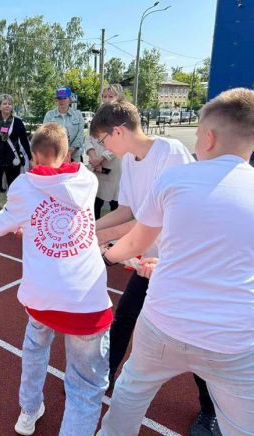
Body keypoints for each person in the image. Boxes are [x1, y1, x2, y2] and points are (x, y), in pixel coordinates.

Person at [97, 87, 254, 436]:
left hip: (166, 317)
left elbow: (140, 237)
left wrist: (103, 257)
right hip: (233, 337)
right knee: (243, 424)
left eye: (198, 134)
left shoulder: (174, 173)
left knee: (131, 394)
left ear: (209, 139)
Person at [0, 123, 112, 436]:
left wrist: (23, 220)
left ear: (33, 157)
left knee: (34, 348)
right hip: (86, 301)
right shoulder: (86, 179)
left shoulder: (23, 186)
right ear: (67, 152)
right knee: (85, 386)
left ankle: (29, 411)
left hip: (42, 298)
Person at [0, 94, 32, 214]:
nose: (7, 106)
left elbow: (24, 141)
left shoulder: (18, 122)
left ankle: (13, 210)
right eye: (4, 103)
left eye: (9, 103)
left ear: (12, 106)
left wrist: (30, 157)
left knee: (13, 187)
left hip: (12, 160)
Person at [83, 84, 124, 219]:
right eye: (104, 96)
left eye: (110, 96)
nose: (107, 99)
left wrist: (102, 159)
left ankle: (112, 236)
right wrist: (94, 158)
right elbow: (89, 138)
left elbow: (120, 141)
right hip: (96, 166)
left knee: (114, 202)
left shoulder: (122, 117)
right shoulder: (97, 117)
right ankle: (95, 232)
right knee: (95, 200)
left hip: (113, 166)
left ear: (119, 97)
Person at [43, 87, 85, 162]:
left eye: (64, 98)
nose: (61, 101)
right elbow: (46, 136)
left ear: (69, 99)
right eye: (59, 98)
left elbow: (80, 136)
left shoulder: (78, 115)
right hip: (55, 157)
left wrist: (69, 152)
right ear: (56, 100)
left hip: (75, 157)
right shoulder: (49, 115)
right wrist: (60, 154)